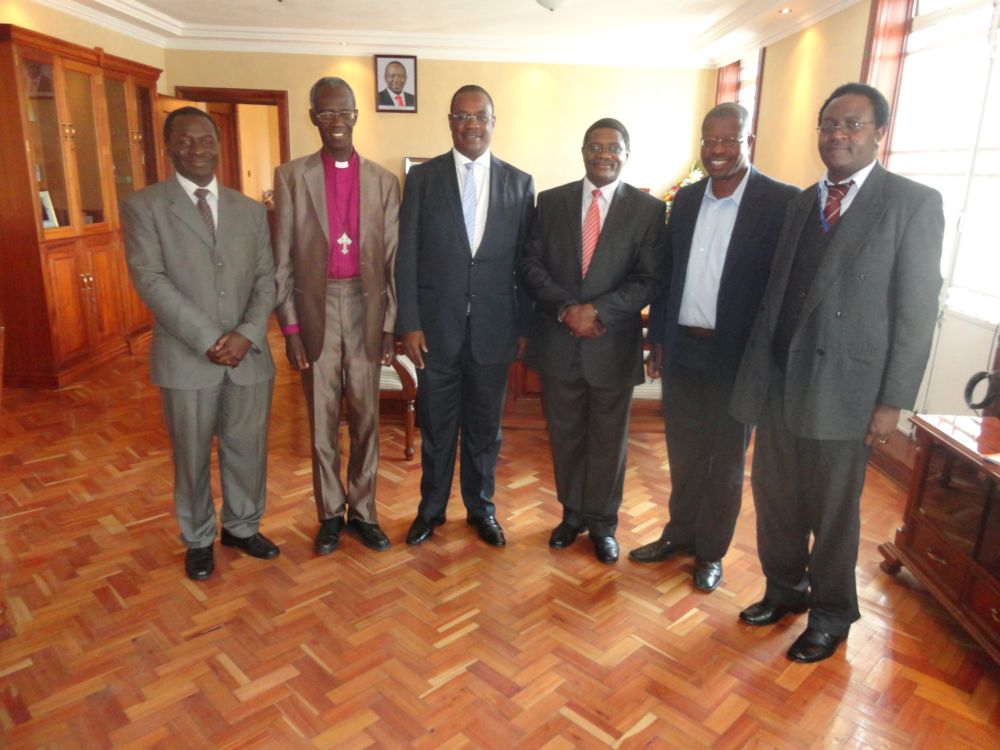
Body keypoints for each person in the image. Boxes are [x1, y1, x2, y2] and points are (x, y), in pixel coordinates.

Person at [730, 83, 944, 662]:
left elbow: (917, 311)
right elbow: (779, 295)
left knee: (831, 511)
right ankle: (784, 590)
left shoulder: (911, 203)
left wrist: (893, 399)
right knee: (775, 498)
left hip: (845, 390)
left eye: (852, 124)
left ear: (879, 133)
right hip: (779, 380)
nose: (838, 135)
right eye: (828, 125)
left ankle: (831, 614)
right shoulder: (803, 202)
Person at [629, 104, 799, 591]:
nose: (719, 150)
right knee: (683, 453)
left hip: (738, 358)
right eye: (710, 140)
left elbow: (781, 291)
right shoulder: (684, 200)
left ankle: (711, 551)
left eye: (730, 140)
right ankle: (678, 534)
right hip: (684, 349)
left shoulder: (780, 202)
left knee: (724, 462)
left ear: (750, 140)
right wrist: (658, 337)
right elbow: (668, 276)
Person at [122, 106, 279, 581]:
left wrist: (247, 333)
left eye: (205, 140)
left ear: (218, 144)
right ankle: (197, 537)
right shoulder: (145, 206)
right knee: (190, 455)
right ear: (168, 147)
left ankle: (242, 526)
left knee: (246, 447)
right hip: (187, 357)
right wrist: (211, 338)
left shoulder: (249, 209)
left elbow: (267, 279)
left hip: (248, 355)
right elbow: (150, 279)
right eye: (185, 141)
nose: (197, 150)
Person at [520, 118, 665, 564]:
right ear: (583, 151)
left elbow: (649, 279)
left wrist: (598, 311)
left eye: (613, 148)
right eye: (595, 147)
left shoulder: (647, 210)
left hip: (611, 344)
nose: (604, 154)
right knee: (564, 437)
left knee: (608, 441)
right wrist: (567, 309)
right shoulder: (550, 202)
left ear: (626, 154)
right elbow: (530, 267)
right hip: (559, 341)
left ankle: (603, 524)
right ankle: (572, 516)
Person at [395, 84, 534, 547]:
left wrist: (523, 326)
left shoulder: (520, 183)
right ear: (450, 121)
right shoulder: (422, 178)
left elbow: (526, 264)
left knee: (484, 431)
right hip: (436, 331)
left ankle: (481, 510)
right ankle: (430, 511)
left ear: (494, 122)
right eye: (462, 116)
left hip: (495, 331)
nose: (471, 124)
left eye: (480, 116)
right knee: (437, 427)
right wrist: (409, 323)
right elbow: (407, 256)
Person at [273, 77, 400, 556]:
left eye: (343, 112)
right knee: (322, 421)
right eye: (325, 114)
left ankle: (364, 513)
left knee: (368, 419)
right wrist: (289, 329)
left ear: (356, 116)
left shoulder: (384, 182)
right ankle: (329, 514)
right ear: (313, 118)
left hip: (366, 309)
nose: (336, 122)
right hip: (316, 308)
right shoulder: (291, 177)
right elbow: (281, 259)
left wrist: (390, 326)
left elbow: (392, 262)